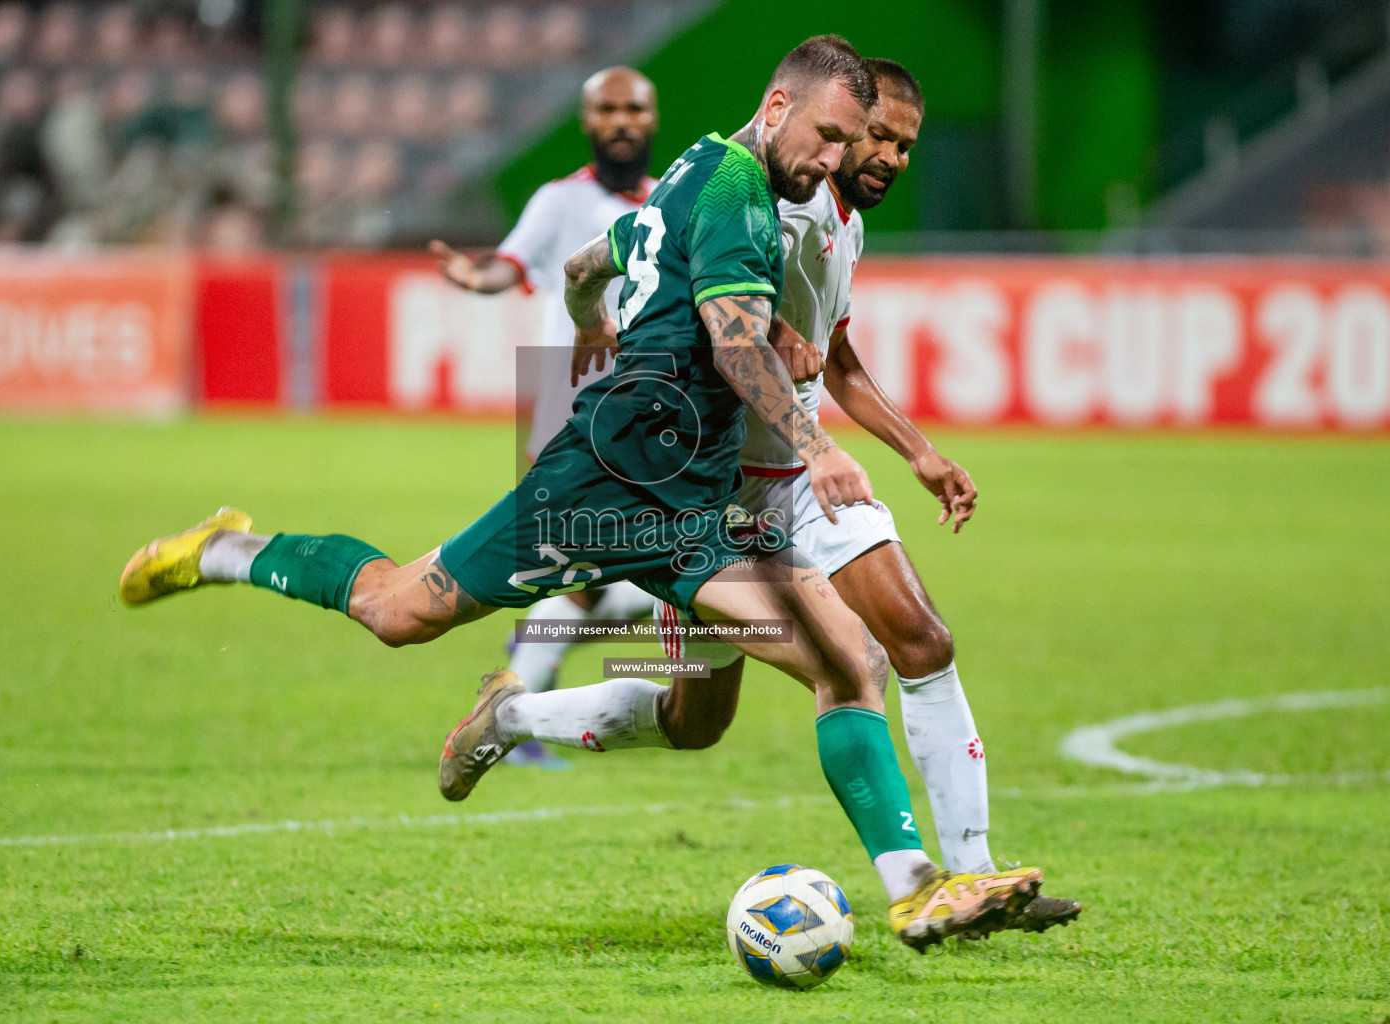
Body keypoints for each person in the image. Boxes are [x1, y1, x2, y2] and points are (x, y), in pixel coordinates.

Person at [120, 36, 1041, 952]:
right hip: (599, 482)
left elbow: (582, 266)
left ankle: (916, 889)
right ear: (775, 107)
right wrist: (816, 446)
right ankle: (227, 550)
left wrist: (589, 319)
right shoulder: (737, 197)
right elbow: (733, 344)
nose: (836, 161)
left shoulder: (698, 175)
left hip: (700, 507)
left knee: (849, 663)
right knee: (399, 611)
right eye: (830, 137)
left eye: (851, 144)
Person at [443, 58, 1080, 938]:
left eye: (901, 144)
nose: (885, 156)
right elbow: (681, 279)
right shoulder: (766, 193)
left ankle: (971, 880)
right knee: (693, 718)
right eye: (872, 137)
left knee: (919, 640)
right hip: (717, 488)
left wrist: (920, 452)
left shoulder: (843, 219)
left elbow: (839, 355)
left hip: (807, 481)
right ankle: (515, 713)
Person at [427, 68, 663, 764]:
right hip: (571, 411)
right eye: (607, 110)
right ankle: (521, 702)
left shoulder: (669, 203)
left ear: (652, 118)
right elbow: (510, 262)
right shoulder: (561, 200)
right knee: (614, 569)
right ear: (588, 122)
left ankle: (527, 670)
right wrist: (478, 278)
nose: (621, 121)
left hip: (649, 418)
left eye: (633, 109)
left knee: (622, 576)